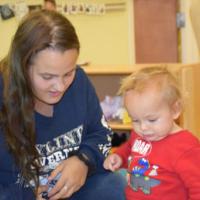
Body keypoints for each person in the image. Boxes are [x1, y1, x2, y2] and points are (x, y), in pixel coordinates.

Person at [0, 10, 126, 200]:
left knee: (116, 187)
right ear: (22, 66)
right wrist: (27, 195)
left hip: (74, 188)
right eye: (47, 77)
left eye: (68, 73)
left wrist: (83, 160)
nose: (59, 86)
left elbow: (101, 134)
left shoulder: (80, 82)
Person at [103, 66, 200, 200]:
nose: (143, 127)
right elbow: (130, 147)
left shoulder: (186, 147)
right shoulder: (141, 135)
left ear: (175, 110)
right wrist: (119, 157)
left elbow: (197, 188)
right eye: (135, 120)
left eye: (152, 119)